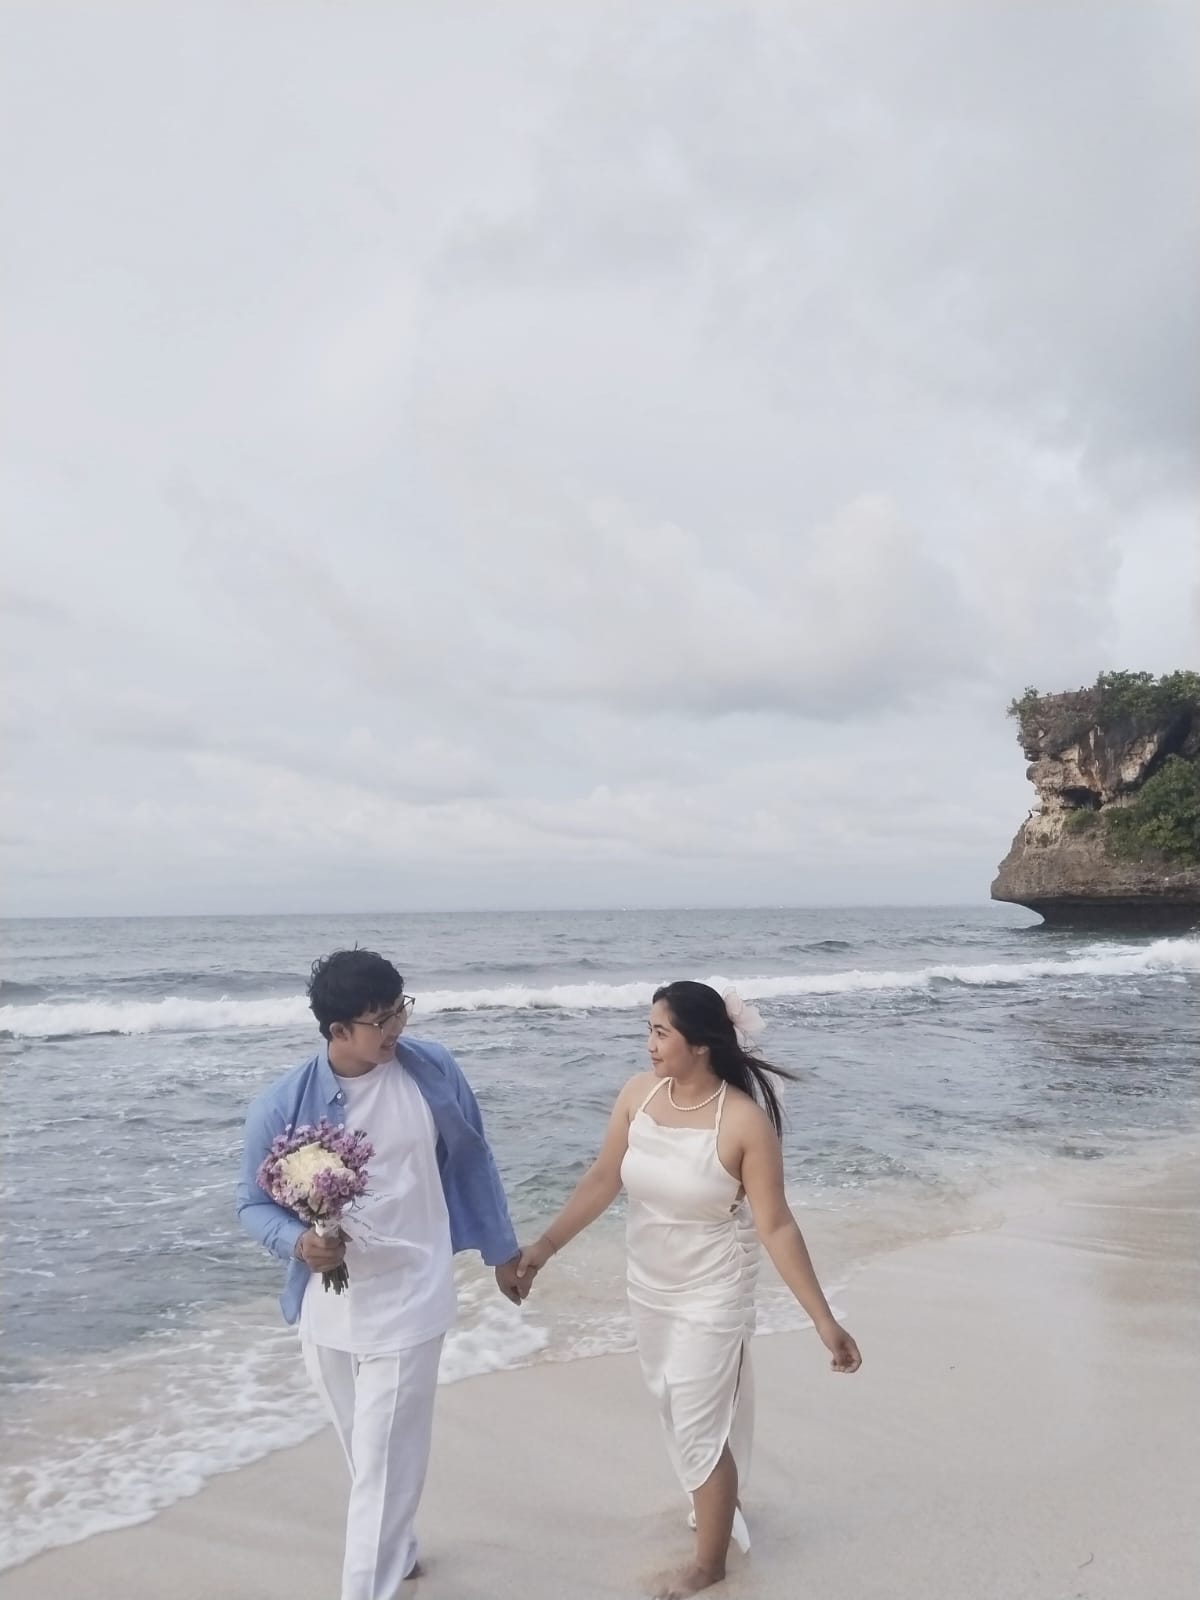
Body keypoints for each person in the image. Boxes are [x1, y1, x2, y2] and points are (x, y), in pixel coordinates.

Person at [517, 980, 861, 1600]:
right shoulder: (638, 1095)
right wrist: (543, 1248)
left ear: (699, 1044)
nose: (649, 1044)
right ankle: (718, 1504)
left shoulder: (744, 1122)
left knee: (698, 1423)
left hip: (713, 1291)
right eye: (648, 1031)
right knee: (675, 1409)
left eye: (660, 1032)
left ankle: (710, 1566)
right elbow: (602, 1178)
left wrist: (823, 1319)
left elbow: (777, 1225)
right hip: (649, 1285)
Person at [236, 948, 530, 1600]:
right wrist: (298, 1243)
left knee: (381, 1468)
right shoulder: (283, 1107)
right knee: (369, 1462)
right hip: (329, 1307)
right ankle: (400, 1551)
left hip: (412, 1294)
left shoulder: (434, 1070)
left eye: (401, 1009)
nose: (397, 1026)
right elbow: (250, 1205)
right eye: (380, 1019)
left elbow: (474, 1162)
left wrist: (502, 1252)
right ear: (338, 1030)